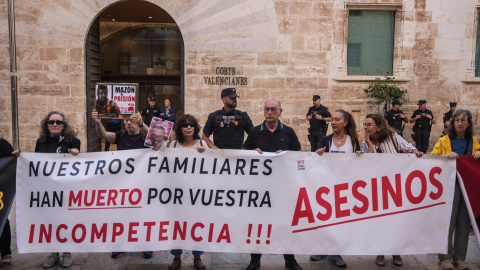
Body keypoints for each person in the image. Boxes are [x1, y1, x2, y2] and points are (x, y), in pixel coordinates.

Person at [243, 99, 302, 270]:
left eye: (273, 109)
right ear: (263, 112)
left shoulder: (289, 132)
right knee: (258, 225)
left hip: (283, 189)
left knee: (286, 224)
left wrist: (286, 154)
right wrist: (252, 153)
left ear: (280, 112)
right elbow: (244, 152)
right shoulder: (255, 132)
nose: (270, 112)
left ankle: (290, 260)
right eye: (267, 109)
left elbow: (298, 155)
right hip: (260, 189)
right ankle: (255, 260)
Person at [362, 113, 423, 267]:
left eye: (369, 124)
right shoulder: (365, 143)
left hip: (395, 189)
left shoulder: (394, 138)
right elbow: (367, 165)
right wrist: (369, 146)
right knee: (380, 222)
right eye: (365, 125)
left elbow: (410, 148)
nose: (366, 128)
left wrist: (415, 152)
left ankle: (396, 252)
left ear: (379, 126)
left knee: (395, 221)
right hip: (377, 189)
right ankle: (380, 251)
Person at [92, 109, 152, 259]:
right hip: (123, 184)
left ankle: (146, 244)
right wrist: (98, 123)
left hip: (142, 183)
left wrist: (143, 124)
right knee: (122, 214)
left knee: (143, 215)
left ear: (138, 121)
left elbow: (160, 140)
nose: (129, 123)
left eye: (132, 120)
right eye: (127, 121)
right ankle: (121, 243)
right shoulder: (121, 136)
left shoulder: (145, 135)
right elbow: (104, 135)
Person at [431, 109, 480, 270]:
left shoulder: (473, 142)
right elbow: (433, 159)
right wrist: (445, 158)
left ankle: (460, 258)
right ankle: (445, 257)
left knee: (464, 223)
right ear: (452, 123)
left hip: (467, 187)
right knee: (448, 222)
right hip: (448, 185)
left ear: (469, 123)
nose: (459, 123)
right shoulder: (444, 140)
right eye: (457, 120)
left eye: (463, 120)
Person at [312, 109, 360, 267]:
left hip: (346, 188)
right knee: (325, 220)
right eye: (332, 119)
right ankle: (322, 248)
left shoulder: (353, 140)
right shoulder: (325, 140)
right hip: (327, 188)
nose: (333, 122)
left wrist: (361, 156)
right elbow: (316, 162)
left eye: (337, 119)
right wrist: (318, 155)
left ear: (345, 123)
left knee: (340, 222)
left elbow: (359, 162)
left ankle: (335, 252)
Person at [34, 111, 80, 268]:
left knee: (64, 221)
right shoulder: (40, 142)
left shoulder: (73, 141)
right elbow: (35, 163)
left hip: (66, 190)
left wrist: (76, 154)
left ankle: (66, 252)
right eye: (51, 122)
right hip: (47, 190)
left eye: (58, 122)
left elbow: (79, 164)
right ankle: (53, 253)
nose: (54, 124)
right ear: (46, 125)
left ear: (63, 125)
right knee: (50, 222)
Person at [168, 114, 208, 270]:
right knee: (177, 226)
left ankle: (197, 257)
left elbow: (212, 164)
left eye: (191, 125)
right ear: (180, 129)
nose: (189, 127)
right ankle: (176, 257)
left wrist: (205, 153)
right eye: (185, 125)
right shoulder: (174, 146)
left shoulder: (201, 143)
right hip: (178, 194)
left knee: (196, 225)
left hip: (196, 194)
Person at [0, 138, 20, 268]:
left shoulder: (2, 144)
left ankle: (5, 252)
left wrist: (14, 156)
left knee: (2, 218)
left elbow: (10, 162)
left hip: (1, 188)